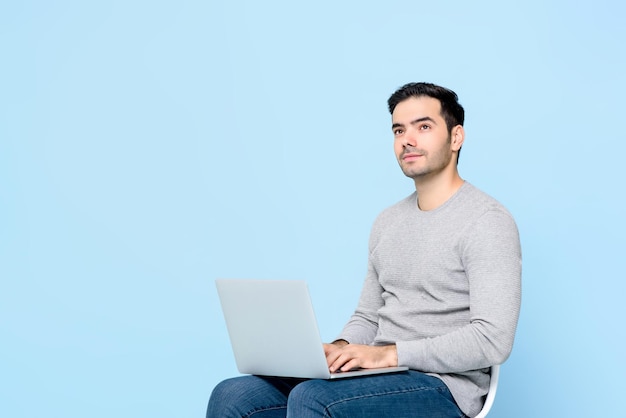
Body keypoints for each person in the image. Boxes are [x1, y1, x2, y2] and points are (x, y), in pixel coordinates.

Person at [207, 82, 522, 418]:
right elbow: (368, 317)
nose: (408, 140)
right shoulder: (387, 222)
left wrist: (389, 355)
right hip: (377, 374)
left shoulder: (487, 221)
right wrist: (340, 349)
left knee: (314, 398)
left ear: (456, 137)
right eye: (399, 130)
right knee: (233, 395)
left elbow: (492, 339)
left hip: (443, 387)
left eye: (424, 127)